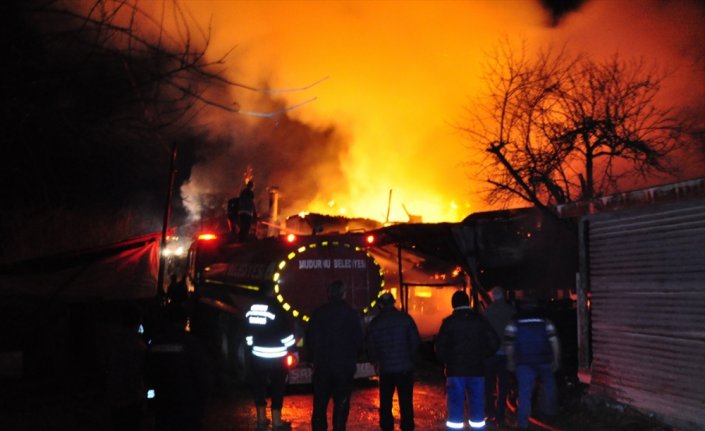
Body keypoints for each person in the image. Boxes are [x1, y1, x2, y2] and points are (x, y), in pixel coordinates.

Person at [435, 291, 499, 431]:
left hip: (455, 371)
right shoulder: (480, 320)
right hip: (477, 370)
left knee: (455, 407)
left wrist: (448, 361)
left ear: (453, 304)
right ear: (468, 302)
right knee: (477, 406)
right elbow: (494, 343)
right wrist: (482, 355)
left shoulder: (448, 323)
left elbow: (439, 349)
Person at [307, 280, 363, 431]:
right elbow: (358, 340)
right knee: (341, 403)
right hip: (344, 367)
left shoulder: (319, 313)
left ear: (329, 294)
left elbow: (311, 339)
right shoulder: (351, 314)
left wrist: (312, 360)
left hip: (323, 367)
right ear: (344, 294)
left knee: (320, 404)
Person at [145, 306, 213, 431]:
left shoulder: (156, 343)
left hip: (163, 402)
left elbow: (148, 373)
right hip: (186, 403)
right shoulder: (191, 343)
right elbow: (202, 375)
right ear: (185, 322)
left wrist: (151, 400)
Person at [243, 284, 297, 431]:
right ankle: (277, 421)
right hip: (276, 357)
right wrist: (294, 350)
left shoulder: (251, 309)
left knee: (259, 386)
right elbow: (285, 333)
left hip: (257, 356)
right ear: (271, 292)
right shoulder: (276, 308)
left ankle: (261, 419)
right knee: (277, 388)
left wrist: (251, 347)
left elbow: (247, 332)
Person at [504, 297, 561, 431]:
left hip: (523, 363)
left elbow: (509, 343)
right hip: (544, 360)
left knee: (525, 392)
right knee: (549, 387)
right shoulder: (545, 320)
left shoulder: (515, 321)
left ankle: (523, 423)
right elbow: (554, 341)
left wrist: (511, 361)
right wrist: (557, 359)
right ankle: (549, 415)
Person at [367, 292, 421, 431]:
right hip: (405, 369)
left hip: (386, 369)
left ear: (380, 305)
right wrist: (410, 359)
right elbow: (415, 342)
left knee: (385, 403)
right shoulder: (405, 319)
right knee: (406, 402)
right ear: (393, 302)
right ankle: (407, 427)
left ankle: (387, 427)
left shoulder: (376, 323)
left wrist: (375, 362)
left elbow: (371, 347)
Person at [105, 303, 146, 431]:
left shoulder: (112, 342)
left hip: (114, 398)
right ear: (138, 321)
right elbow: (138, 375)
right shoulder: (139, 347)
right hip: (131, 400)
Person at [482, 286, 516, 426]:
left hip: (491, 354)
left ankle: (490, 413)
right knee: (503, 386)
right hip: (506, 353)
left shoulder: (488, 313)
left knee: (488, 385)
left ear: (493, 297)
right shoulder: (511, 311)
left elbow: (484, 333)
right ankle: (500, 415)